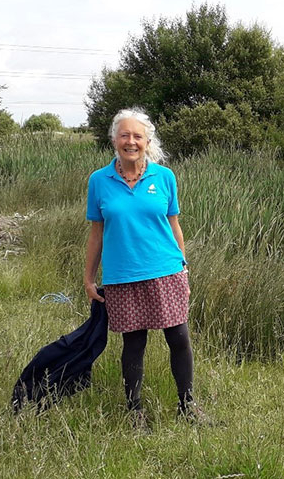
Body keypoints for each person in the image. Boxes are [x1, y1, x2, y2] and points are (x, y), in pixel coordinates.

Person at [84, 107, 203, 428]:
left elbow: (174, 226)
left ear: (148, 141)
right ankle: (134, 411)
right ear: (114, 140)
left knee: (179, 337)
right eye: (125, 135)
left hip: (166, 271)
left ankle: (188, 406)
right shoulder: (99, 181)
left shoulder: (165, 177)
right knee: (133, 344)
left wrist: (184, 267)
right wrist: (88, 278)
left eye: (137, 136)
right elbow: (96, 234)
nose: (131, 141)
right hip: (122, 275)